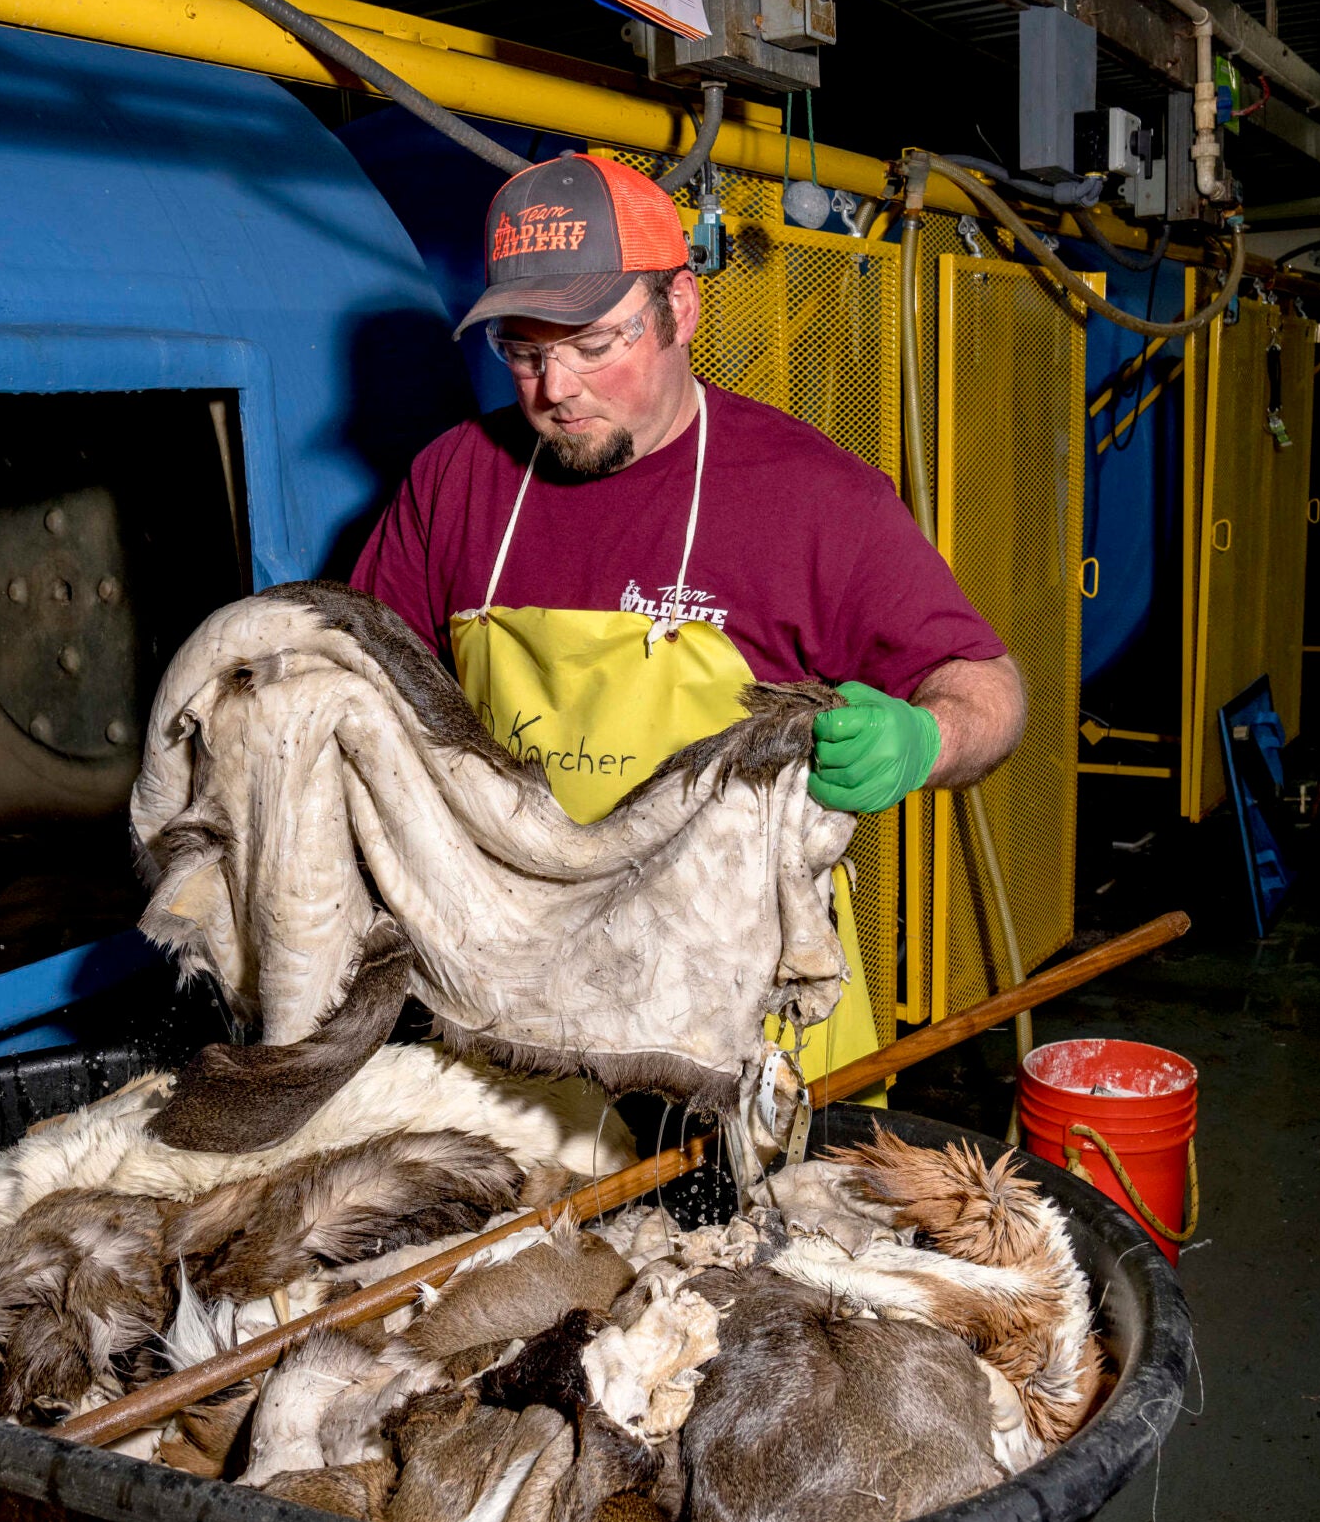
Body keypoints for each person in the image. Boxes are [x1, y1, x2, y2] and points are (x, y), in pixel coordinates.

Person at [350, 153, 1024, 1074]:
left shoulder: (809, 497)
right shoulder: (457, 480)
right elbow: (362, 691)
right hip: (521, 1016)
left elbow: (989, 691)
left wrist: (924, 739)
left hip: (745, 1029)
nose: (557, 390)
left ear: (682, 310)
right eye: (527, 350)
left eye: (596, 345)